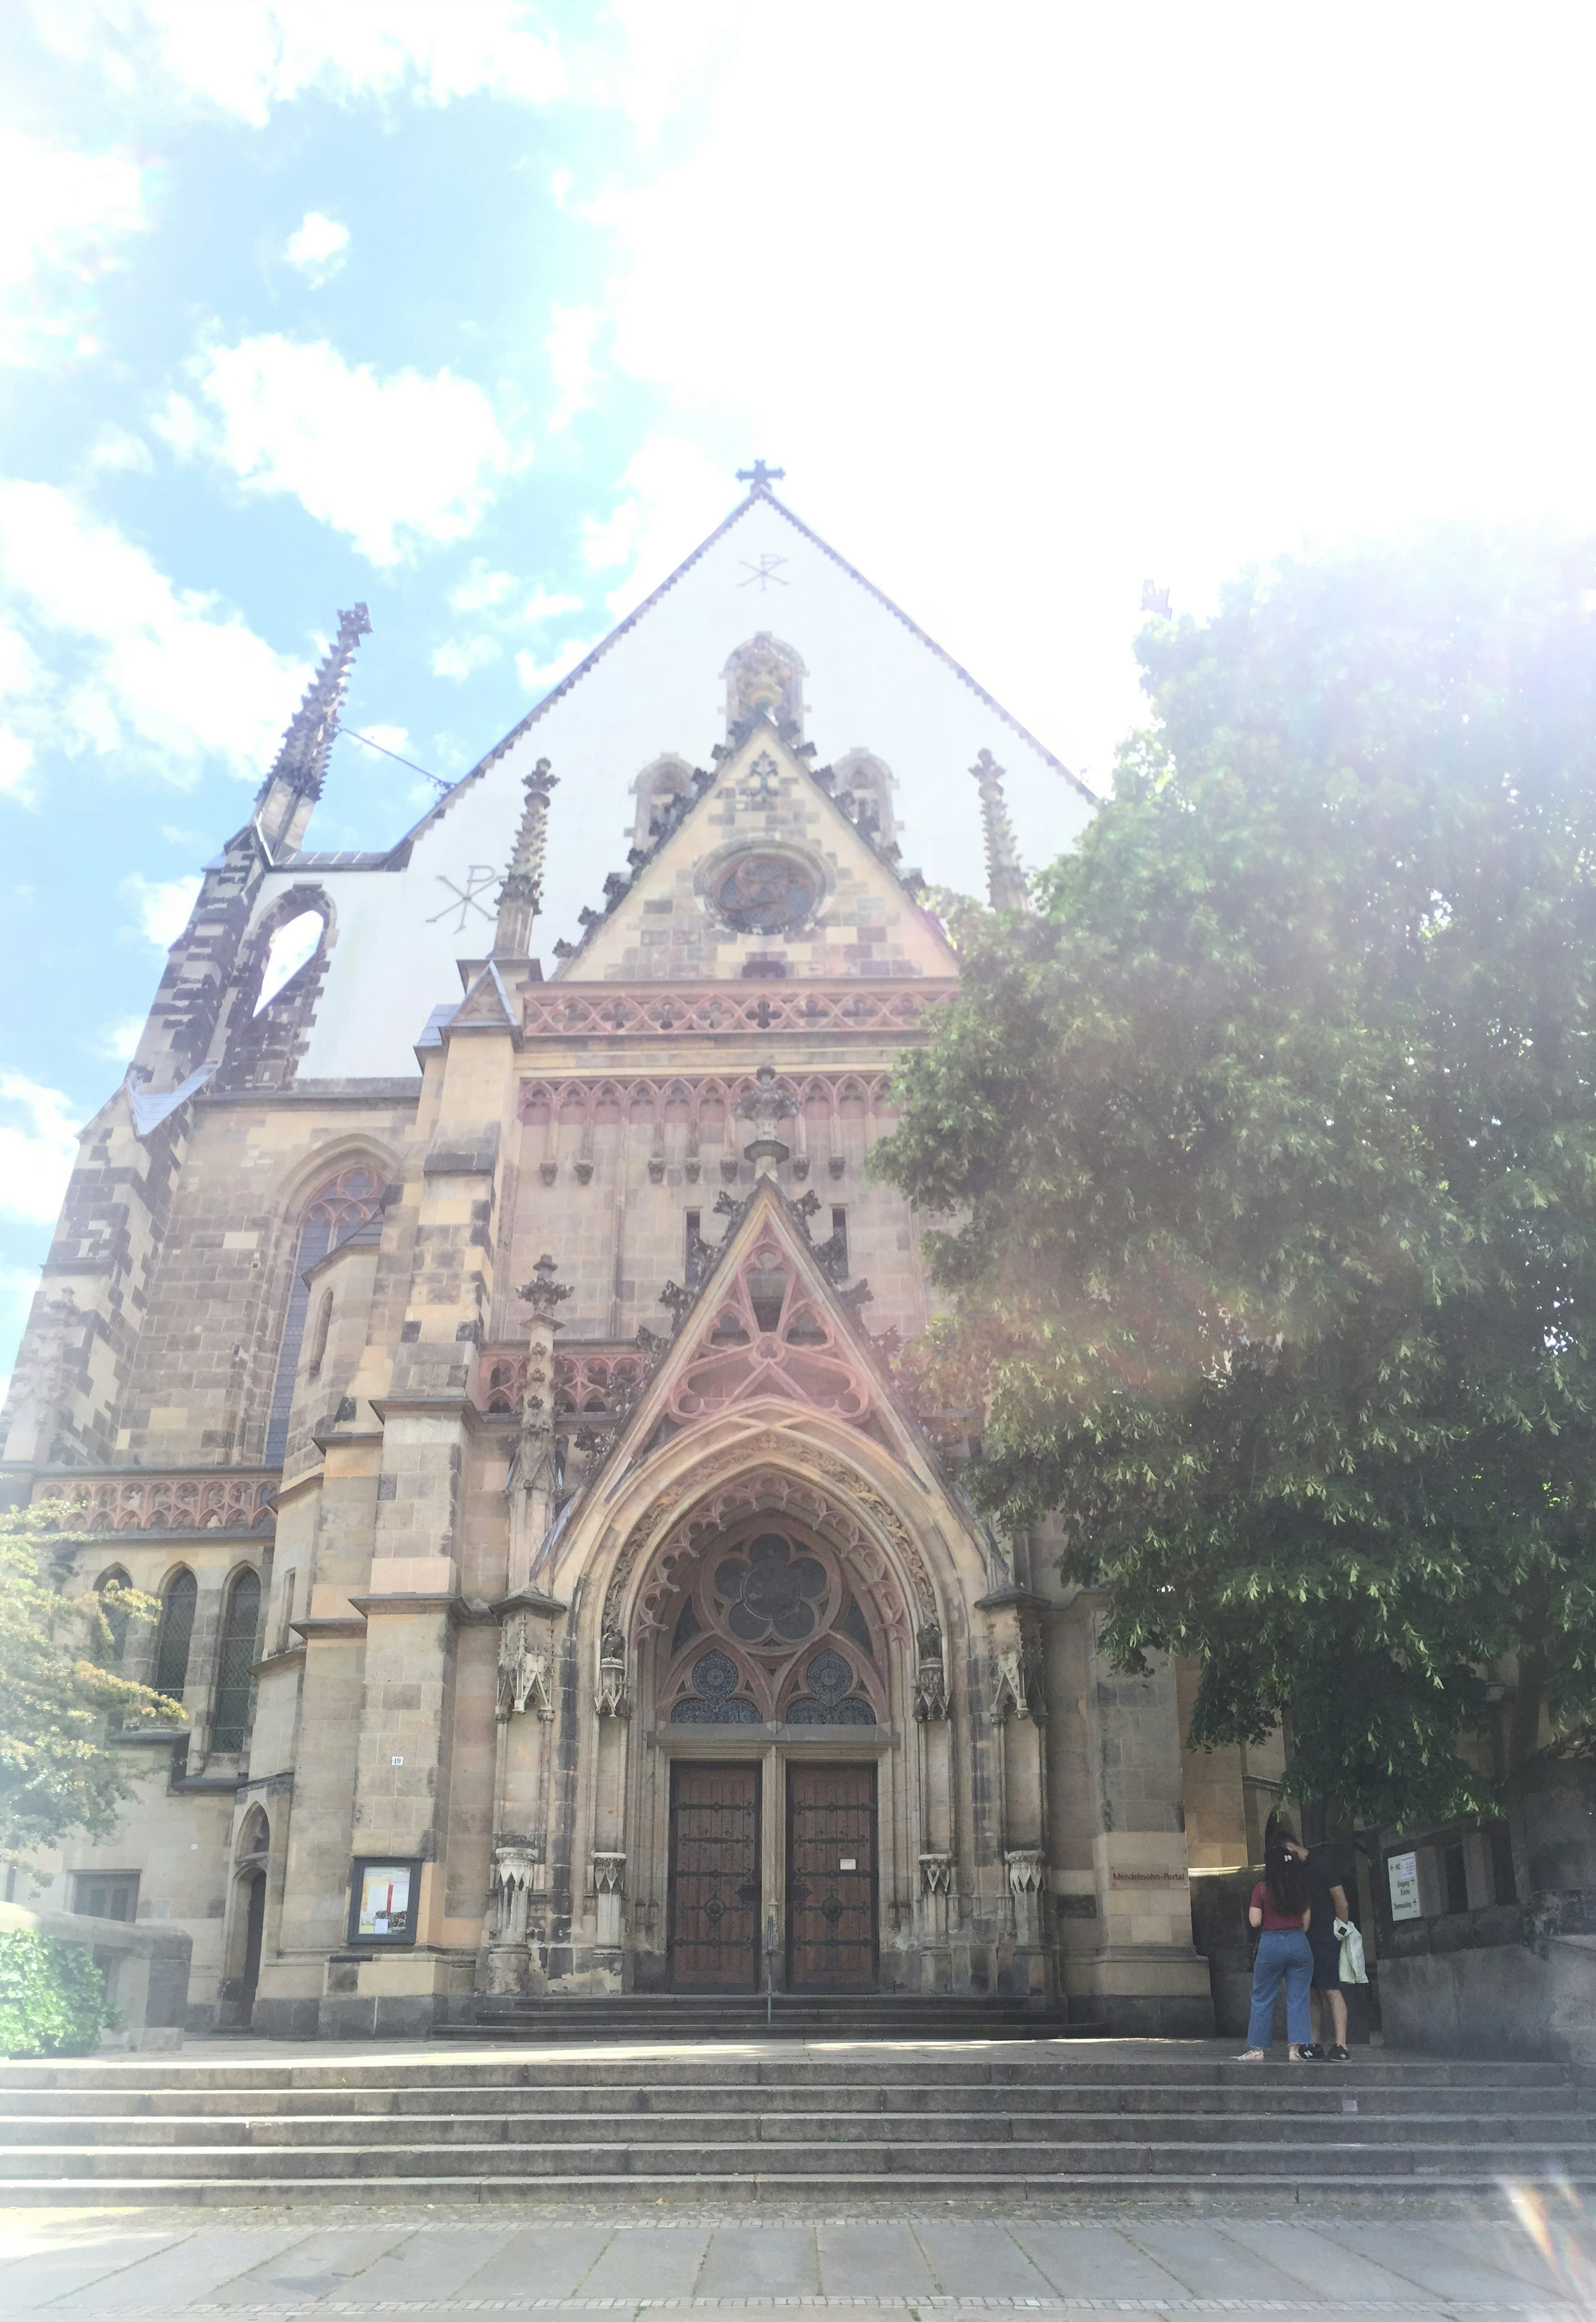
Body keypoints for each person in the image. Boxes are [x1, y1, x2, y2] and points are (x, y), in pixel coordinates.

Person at [1238, 1832, 1314, 2061]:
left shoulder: (1262, 1889)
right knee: (1299, 1998)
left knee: (1262, 1997)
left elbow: (1255, 1921)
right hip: (1299, 1943)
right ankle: (1295, 2051)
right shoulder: (1300, 1888)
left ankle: (1258, 2049)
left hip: (1271, 1944)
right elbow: (1306, 1921)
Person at [1287, 1836, 1353, 2060]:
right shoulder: (1298, 1871)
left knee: (1330, 1988)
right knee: (1314, 1990)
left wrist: (1341, 1933)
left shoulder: (1322, 1864)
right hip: (1308, 1937)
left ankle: (1341, 2045)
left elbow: (1341, 1902)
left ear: (1291, 1847)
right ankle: (1315, 2043)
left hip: (1326, 1936)